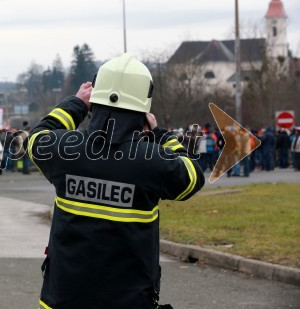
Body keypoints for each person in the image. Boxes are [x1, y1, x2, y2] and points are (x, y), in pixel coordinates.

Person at [25, 53, 205, 309]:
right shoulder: (151, 161)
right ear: (143, 109)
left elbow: (37, 138)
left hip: (63, 299)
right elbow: (192, 176)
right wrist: (160, 134)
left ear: (95, 100)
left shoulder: (67, 151)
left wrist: (76, 104)